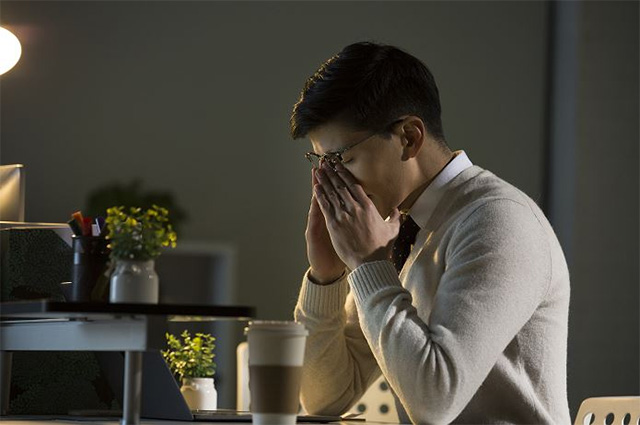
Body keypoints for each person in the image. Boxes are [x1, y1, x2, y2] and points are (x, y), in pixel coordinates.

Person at [290, 42, 571, 424]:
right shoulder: (400, 231)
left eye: (342, 160)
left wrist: (368, 264)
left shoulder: (497, 221)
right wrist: (327, 277)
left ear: (408, 137)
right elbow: (324, 399)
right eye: (321, 162)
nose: (331, 180)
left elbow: (435, 403)